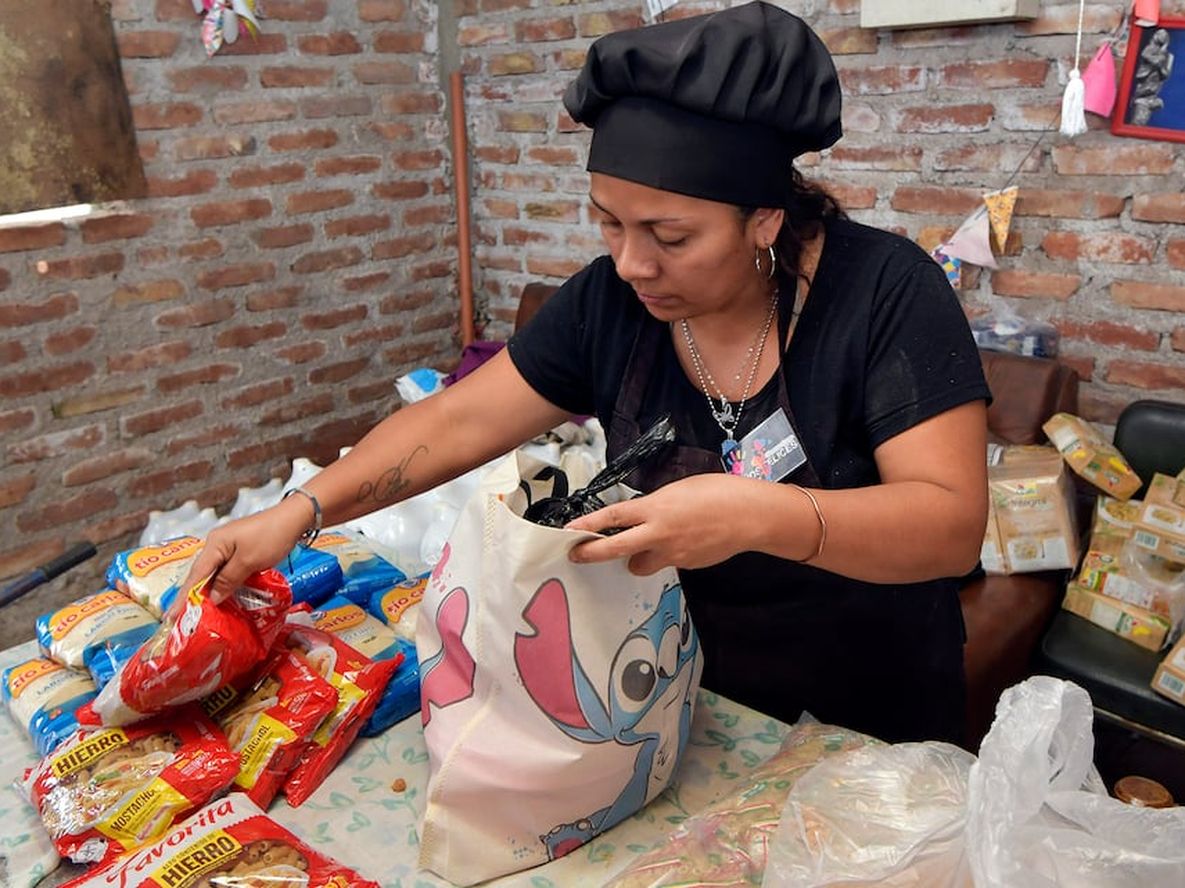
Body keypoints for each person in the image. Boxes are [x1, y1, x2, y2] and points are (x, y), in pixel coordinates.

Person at [185, 1, 990, 745]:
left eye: (669, 236)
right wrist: (302, 509)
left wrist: (758, 515)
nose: (632, 263)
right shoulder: (609, 303)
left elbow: (948, 526)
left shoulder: (884, 291)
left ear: (764, 220)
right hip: (677, 687)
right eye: (607, 222)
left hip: (866, 710)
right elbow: (457, 420)